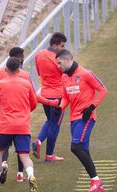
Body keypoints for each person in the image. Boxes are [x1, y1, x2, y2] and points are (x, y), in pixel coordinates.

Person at [56, 49, 107, 192]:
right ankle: (96, 183)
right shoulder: (64, 77)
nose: (58, 66)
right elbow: (65, 97)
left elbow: (103, 90)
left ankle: (96, 181)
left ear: (68, 59)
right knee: (83, 149)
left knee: (75, 147)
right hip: (73, 119)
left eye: (59, 63)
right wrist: (60, 107)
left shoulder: (85, 73)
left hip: (86, 118)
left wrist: (91, 107)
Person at [0, 57, 38, 192]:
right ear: (19, 69)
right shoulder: (26, 83)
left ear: (6, 69)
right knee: (24, 155)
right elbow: (33, 104)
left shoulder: (0, 83)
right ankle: (30, 175)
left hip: (5, 125)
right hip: (23, 125)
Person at [0, 47, 27, 184]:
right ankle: (21, 174)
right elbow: (33, 98)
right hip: (22, 120)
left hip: (5, 120)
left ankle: (3, 166)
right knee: (22, 150)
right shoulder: (25, 76)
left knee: (1, 148)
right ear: (20, 58)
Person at [33, 32, 67, 162]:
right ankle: (47, 152)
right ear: (55, 45)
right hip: (58, 96)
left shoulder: (39, 55)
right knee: (55, 125)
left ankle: (40, 145)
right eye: (62, 46)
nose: (63, 48)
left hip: (45, 94)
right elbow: (66, 73)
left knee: (50, 121)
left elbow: (39, 72)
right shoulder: (58, 59)